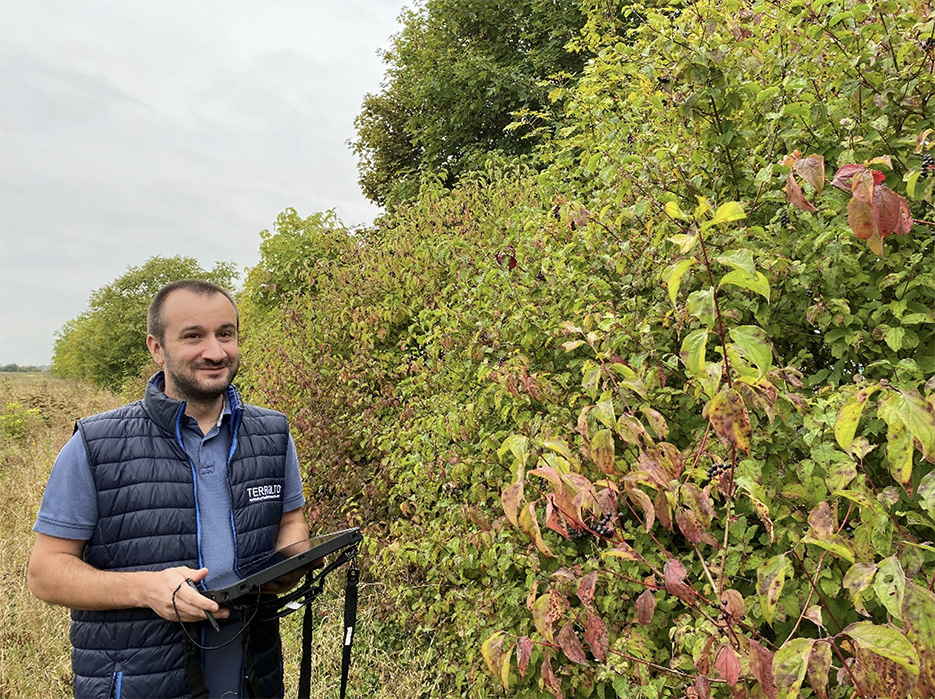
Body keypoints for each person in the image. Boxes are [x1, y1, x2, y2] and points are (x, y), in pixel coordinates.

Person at [27, 279, 308, 698]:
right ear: (156, 348)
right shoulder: (95, 444)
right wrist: (145, 588)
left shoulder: (273, 433)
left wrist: (290, 561)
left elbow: (290, 521)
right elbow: (45, 573)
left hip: (252, 674)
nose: (214, 351)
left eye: (225, 334)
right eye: (193, 336)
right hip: (141, 681)